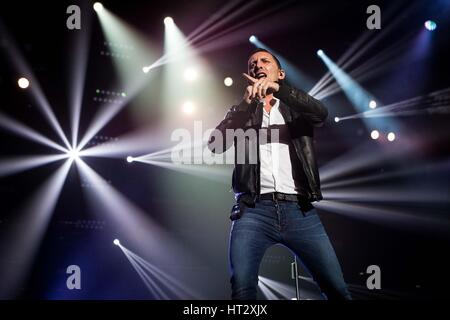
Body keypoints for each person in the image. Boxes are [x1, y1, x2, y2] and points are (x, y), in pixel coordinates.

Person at [208, 48, 351, 300]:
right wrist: (243, 106)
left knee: (337, 290)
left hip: (300, 211)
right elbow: (215, 145)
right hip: (252, 212)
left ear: (280, 73)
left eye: (265, 61)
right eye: (252, 64)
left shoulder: (296, 109)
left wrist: (279, 90)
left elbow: (321, 113)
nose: (257, 65)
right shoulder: (243, 112)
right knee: (242, 288)